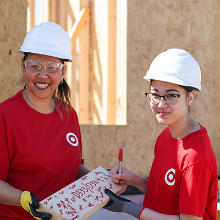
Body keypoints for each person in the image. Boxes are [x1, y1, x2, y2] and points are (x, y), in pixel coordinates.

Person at [104, 49, 218, 220]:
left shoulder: (196, 157)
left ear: (190, 97)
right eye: (155, 94)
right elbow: (164, 193)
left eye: (171, 95)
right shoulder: (166, 137)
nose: (161, 104)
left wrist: (130, 208)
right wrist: (133, 179)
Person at [0, 22, 90, 220]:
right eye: (34, 66)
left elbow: (72, 169)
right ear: (23, 67)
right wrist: (21, 198)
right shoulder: (4, 116)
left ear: (63, 72)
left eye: (52, 67)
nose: (43, 74)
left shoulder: (69, 114)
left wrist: (99, 182)